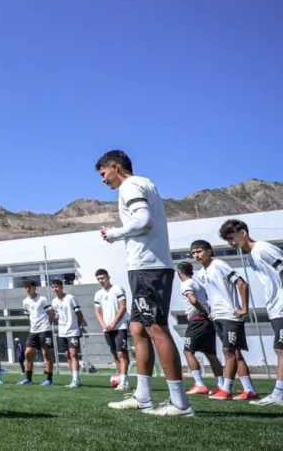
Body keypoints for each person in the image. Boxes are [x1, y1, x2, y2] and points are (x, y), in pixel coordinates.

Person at [96, 150, 194, 416]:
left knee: (156, 329)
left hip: (149, 268)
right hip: (143, 268)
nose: (103, 180)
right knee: (138, 329)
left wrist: (114, 233)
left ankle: (180, 403)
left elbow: (144, 220)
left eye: (104, 173)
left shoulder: (131, 185)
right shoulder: (143, 184)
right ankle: (142, 396)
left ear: (115, 167)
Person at [220, 219, 283, 406]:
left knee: (282, 349)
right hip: (279, 308)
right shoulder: (251, 255)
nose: (231, 243)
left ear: (243, 233)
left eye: (232, 238)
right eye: (228, 240)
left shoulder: (263, 249)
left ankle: (279, 394)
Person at [191, 241, 256, 400]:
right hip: (218, 316)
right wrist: (212, 311)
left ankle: (226, 389)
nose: (196, 255)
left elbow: (242, 284)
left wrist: (244, 308)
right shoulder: (201, 273)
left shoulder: (219, 264)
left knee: (228, 351)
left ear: (209, 251)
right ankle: (250, 391)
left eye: (199, 251)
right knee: (235, 352)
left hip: (230, 315)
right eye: (193, 253)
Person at [176, 257, 226, 396]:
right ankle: (221, 385)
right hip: (207, 322)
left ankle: (199, 384)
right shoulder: (198, 283)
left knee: (188, 351)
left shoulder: (186, 283)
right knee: (211, 354)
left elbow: (192, 300)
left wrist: (204, 311)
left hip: (197, 321)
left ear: (179, 273)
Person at [93, 268, 130, 391]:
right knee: (115, 354)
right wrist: (103, 324)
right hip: (107, 328)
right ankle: (121, 379)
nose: (101, 280)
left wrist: (114, 322)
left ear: (108, 277)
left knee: (121, 353)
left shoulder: (118, 289)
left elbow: (123, 307)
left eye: (102, 278)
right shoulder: (98, 294)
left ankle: (124, 382)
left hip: (120, 326)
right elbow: (97, 312)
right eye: (98, 279)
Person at [19, 280, 55, 386]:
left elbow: (51, 314)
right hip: (33, 331)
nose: (27, 289)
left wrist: (47, 325)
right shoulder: (25, 301)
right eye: (25, 287)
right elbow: (28, 315)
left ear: (35, 287)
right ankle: (28, 379)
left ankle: (49, 380)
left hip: (44, 329)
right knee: (27, 353)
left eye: (29, 286)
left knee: (46, 353)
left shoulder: (42, 299)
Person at [50, 280, 85, 388]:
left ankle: (75, 380)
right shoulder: (54, 302)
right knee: (68, 355)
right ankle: (74, 378)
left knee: (73, 354)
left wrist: (77, 327)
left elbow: (80, 315)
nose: (55, 289)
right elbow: (56, 316)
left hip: (73, 331)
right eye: (53, 287)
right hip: (62, 332)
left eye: (57, 286)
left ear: (62, 287)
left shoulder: (70, 298)